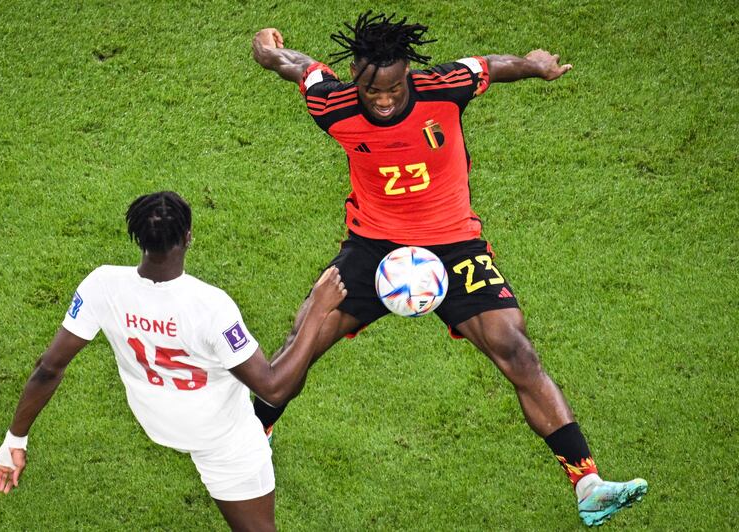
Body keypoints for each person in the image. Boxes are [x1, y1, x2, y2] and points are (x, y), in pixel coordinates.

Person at [251, 12, 647, 527]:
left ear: (409, 75)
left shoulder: (444, 87)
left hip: (456, 246)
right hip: (372, 245)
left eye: (395, 88)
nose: (385, 99)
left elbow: (493, 66)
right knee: (303, 338)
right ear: (356, 75)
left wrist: (535, 65)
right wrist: (266, 49)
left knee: (516, 348)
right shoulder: (333, 104)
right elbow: (298, 65)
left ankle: (588, 484)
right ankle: (248, 438)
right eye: (372, 90)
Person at [0, 191, 346, 532]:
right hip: (223, 441)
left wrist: (14, 440)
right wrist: (317, 308)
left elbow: (48, 368)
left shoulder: (102, 286)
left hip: (158, 426)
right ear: (188, 237)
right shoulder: (210, 307)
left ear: (137, 236)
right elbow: (273, 387)